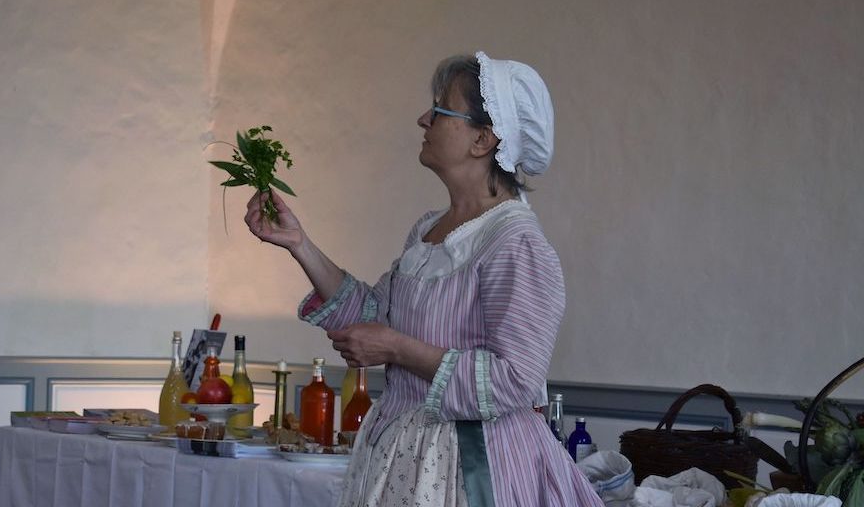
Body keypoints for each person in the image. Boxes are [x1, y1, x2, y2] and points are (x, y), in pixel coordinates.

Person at [244, 51, 603, 506]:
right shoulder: (430, 229)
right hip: (404, 456)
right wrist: (299, 243)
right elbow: (375, 316)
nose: (422, 119)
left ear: (482, 139)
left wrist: (395, 348)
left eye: (439, 110)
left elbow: (515, 380)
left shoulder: (514, 244)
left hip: (473, 469)